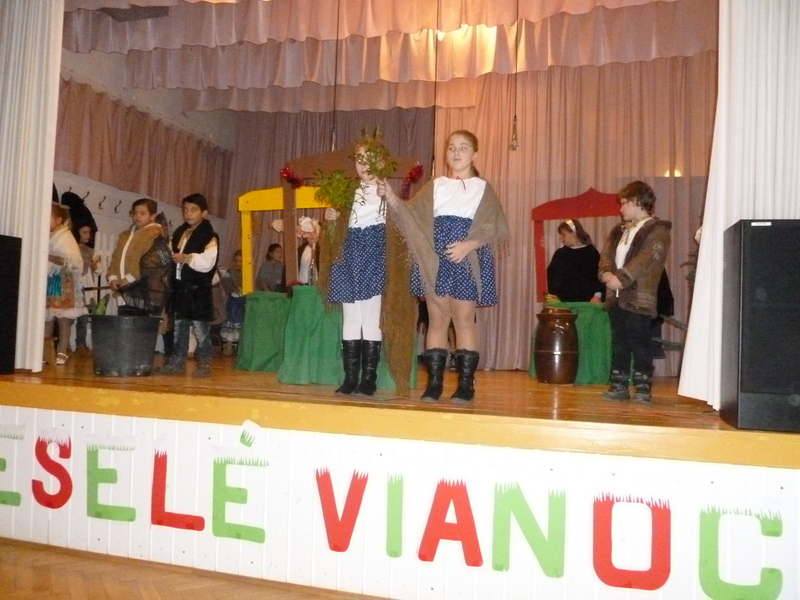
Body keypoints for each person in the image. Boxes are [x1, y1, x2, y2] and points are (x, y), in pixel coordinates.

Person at [379, 130, 510, 403]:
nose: (456, 152)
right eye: (452, 147)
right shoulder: (436, 185)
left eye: (463, 147)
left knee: (464, 321)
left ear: (475, 154)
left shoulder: (483, 188)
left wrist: (468, 245)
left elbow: (494, 226)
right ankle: (434, 384)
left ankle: (465, 386)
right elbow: (411, 215)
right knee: (437, 321)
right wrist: (390, 195)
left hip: (466, 260)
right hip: (435, 261)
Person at [324, 141, 389, 396]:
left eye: (369, 158)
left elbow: (400, 223)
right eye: (359, 158)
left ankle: (369, 379)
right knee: (351, 316)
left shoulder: (386, 192)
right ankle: (351, 377)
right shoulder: (347, 192)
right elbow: (336, 230)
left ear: (381, 162)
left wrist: (391, 199)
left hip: (373, 254)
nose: (363, 164)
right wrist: (331, 217)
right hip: (348, 253)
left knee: (370, 317)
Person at [598, 180, 671, 403]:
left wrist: (621, 279)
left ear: (637, 201)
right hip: (616, 296)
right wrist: (606, 274)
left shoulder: (657, 231)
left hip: (638, 296)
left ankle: (642, 389)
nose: (620, 209)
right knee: (619, 343)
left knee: (640, 342)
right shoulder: (619, 231)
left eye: (623, 203)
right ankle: (619, 386)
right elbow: (606, 256)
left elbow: (646, 259)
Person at [157, 193, 219, 377]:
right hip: (180, 290)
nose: (188, 214)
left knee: (201, 331)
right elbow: (170, 252)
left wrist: (187, 258)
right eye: (185, 210)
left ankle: (205, 364)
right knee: (179, 329)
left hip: (198, 291)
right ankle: (177, 363)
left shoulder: (209, 236)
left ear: (204, 213)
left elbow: (208, 261)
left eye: (193, 210)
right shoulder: (179, 234)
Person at [106, 198, 164, 315]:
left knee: (139, 322)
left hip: (142, 290)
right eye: (135, 213)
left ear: (152, 216)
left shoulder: (154, 234)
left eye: (142, 213)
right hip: (124, 289)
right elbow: (116, 257)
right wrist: (113, 277)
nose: (138, 216)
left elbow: (150, 262)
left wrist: (129, 278)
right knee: (124, 321)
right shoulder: (125, 235)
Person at [46, 203, 85, 365]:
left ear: (58, 220)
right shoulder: (49, 235)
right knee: (48, 318)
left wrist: (48, 256)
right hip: (50, 281)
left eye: (48, 218)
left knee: (63, 319)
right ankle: (46, 351)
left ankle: (62, 351)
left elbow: (72, 261)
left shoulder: (66, 237)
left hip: (64, 282)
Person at [546, 218, 604, 302]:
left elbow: (599, 276)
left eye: (563, 235)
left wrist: (597, 295)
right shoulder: (560, 254)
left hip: (588, 303)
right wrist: (554, 296)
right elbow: (552, 278)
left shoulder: (591, 253)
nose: (561, 238)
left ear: (573, 233)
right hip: (563, 303)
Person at [73, 223, 101, 356]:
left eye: (89, 232)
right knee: (68, 319)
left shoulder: (91, 251)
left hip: (87, 287)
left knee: (83, 319)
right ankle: (65, 344)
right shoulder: (72, 249)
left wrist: (95, 267)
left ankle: (81, 344)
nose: (88, 235)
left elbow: (99, 270)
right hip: (74, 286)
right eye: (84, 232)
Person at [220, 249, 245, 355]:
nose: (238, 263)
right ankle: (229, 345)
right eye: (237, 261)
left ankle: (239, 347)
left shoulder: (247, 272)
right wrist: (233, 288)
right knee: (232, 322)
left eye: (241, 261)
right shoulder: (230, 272)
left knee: (241, 323)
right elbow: (226, 285)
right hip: (234, 300)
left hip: (244, 300)